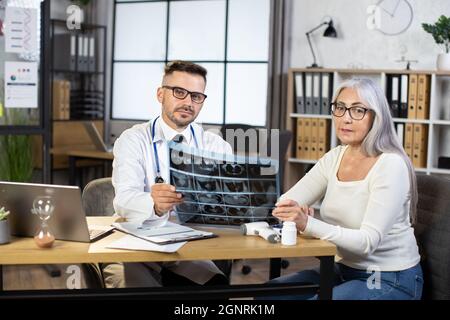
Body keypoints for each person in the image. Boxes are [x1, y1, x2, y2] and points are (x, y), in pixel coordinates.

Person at [267, 78, 423, 300]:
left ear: (375, 117)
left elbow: (367, 243)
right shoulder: (336, 156)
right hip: (342, 269)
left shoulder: (391, 165)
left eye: (358, 110)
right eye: (340, 108)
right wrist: (294, 210)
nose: (346, 118)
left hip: (388, 277)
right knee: (270, 295)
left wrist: (308, 223)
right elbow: (285, 202)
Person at [104, 60, 232, 288]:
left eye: (196, 96)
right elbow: (123, 200)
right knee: (132, 289)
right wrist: (154, 204)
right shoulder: (133, 140)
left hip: (189, 244)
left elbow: (226, 206)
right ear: (160, 94)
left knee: (215, 287)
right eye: (179, 92)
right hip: (136, 243)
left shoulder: (217, 147)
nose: (188, 102)